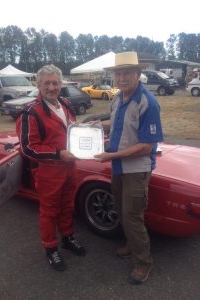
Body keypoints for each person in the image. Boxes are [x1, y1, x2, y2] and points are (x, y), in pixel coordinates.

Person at [95, 52, 163, 284]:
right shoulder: (119, 98)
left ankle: (143, 263)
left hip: (136, 169)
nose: (121, 78)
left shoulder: (148, 102)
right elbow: (117, 125)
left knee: (133, 217)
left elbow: (146, 146)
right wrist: (98, 126)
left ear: (138, 74)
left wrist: (111, 155)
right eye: (118, 73)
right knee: (122, 211)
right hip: (118, 166)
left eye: (126, 73)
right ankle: (131, 244)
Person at [16, 64, 86, 272]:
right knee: (49, 211)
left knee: (67, 205)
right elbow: (28, 149)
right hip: (48, 172)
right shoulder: (30, 112)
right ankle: (50, 249)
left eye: (55, 82)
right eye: (47, 83)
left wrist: (88, 133)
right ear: (38, 85)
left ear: (61, 84)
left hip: (69, 167)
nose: (52, 87)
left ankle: (67, 237)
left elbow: (71, 131)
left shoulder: (65, 104)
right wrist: (57, 154)